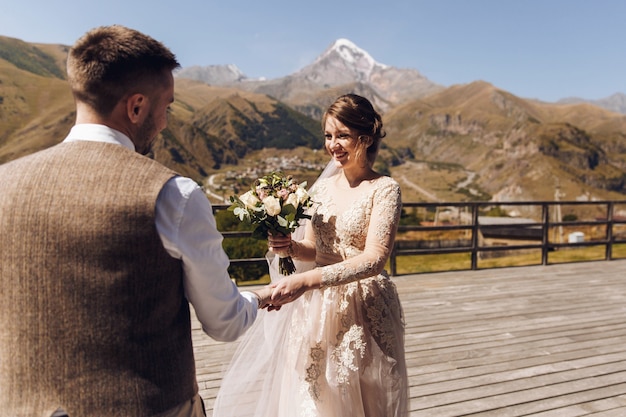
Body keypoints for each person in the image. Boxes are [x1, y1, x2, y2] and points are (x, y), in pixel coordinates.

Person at [0, 25, 272, 417]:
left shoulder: (6, 182)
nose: (165, 120)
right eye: (168, 106)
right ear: (137, 107)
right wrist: (260, 297)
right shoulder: (173, 195)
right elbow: (224, 322)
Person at [214, 94, 409, 416]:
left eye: (342, 135)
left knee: (359, 394)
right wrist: (289, 247)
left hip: (362, 304)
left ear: (366, 137)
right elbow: (315, 248)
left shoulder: (384, 188)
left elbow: (375, 258)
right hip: (315, 305)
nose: (333, 145)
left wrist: (306, 281)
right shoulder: (320, 190)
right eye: (328, 136)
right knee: (312, 394)